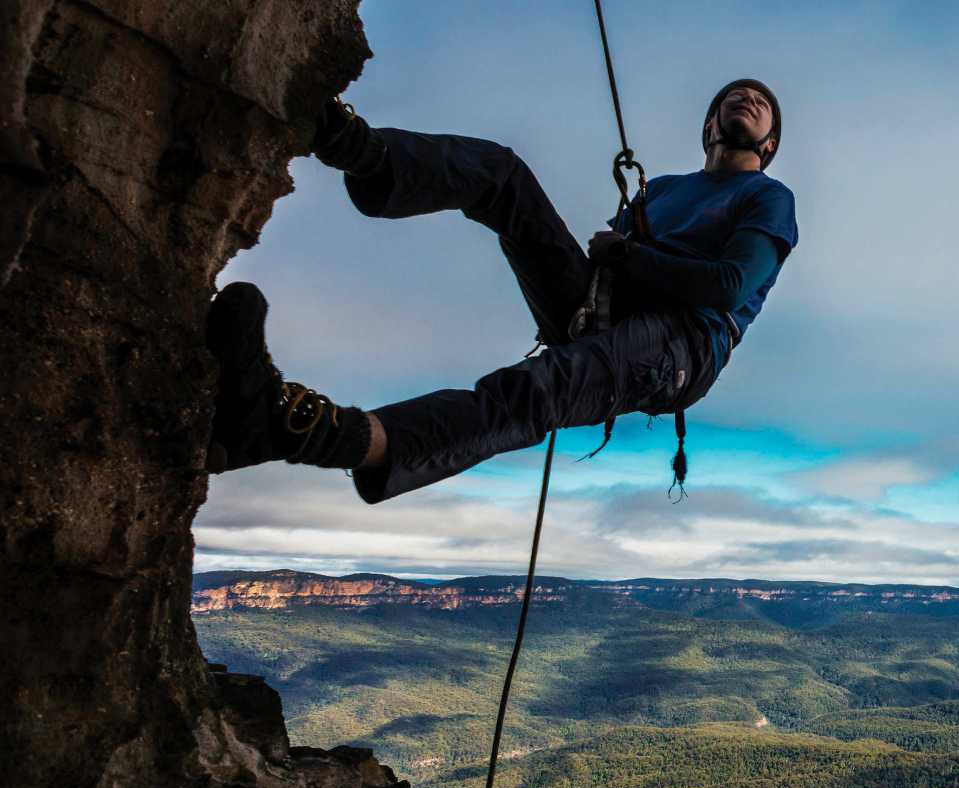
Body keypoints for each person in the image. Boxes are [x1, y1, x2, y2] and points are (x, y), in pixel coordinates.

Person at [204, 79, 797, 503]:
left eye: (762, 104)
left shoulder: (768, 198)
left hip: (682, 343)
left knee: (533, 391)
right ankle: (358, 149)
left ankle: (309, 433)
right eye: (735, 96)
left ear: (767, 145)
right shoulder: (662, 189)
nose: (748, 98)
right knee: (503, 177)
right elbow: (613, 261)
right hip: (607, 303)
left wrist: (627, 254)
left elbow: (728, 286)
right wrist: (617, 255)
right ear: (709, 125)